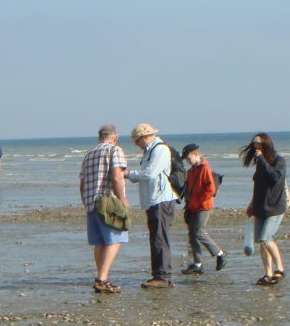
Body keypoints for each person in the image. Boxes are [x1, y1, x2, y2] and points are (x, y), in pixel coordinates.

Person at [125, 123, 179, 289]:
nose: (136, 144)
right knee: (156, 237)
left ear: (145, 137)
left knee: (159, 237)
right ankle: (160, 275)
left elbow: (150, 173)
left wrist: (128, 174)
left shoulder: (160, 149)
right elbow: (145, 173)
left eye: (137, 140)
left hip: (161, 199)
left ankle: (162, 277)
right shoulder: (150, 151)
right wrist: (131, 175)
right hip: (153, 200)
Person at [79, 124, 129, 293]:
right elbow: (116, 176)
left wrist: (86, 202)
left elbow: (82, 183)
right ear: (114, 137)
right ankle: (102, 278)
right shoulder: (115, 150)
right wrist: (123, 199)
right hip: (108, 203)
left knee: (100, 243)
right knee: (115, 240)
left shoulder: (89, 155)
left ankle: (101, 277)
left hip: (91, 202)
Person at [240, 133, 288, 286]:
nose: (256, 148)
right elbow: (258, 187)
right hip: (260, 208)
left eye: (259, 145)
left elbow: (274, 178)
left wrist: (261, 160)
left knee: (265, 238)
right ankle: (267, 273)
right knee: (262, 242)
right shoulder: (260, 163)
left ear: (266, 145)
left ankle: (279, 269)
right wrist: (251, 205)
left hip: (275, 208)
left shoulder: (279, 161)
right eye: (254, 145)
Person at [180, 144, 227, 275]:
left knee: (199, 232)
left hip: (204, 206)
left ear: (196, 155)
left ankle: (220, 253)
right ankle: (197, 264)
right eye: (186, 159)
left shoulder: (205, 168)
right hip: (192, 206)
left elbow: (210, 189)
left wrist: (199, 201)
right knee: (192, 234)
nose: (188, 161)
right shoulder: (190, 171)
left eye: (189, 158)